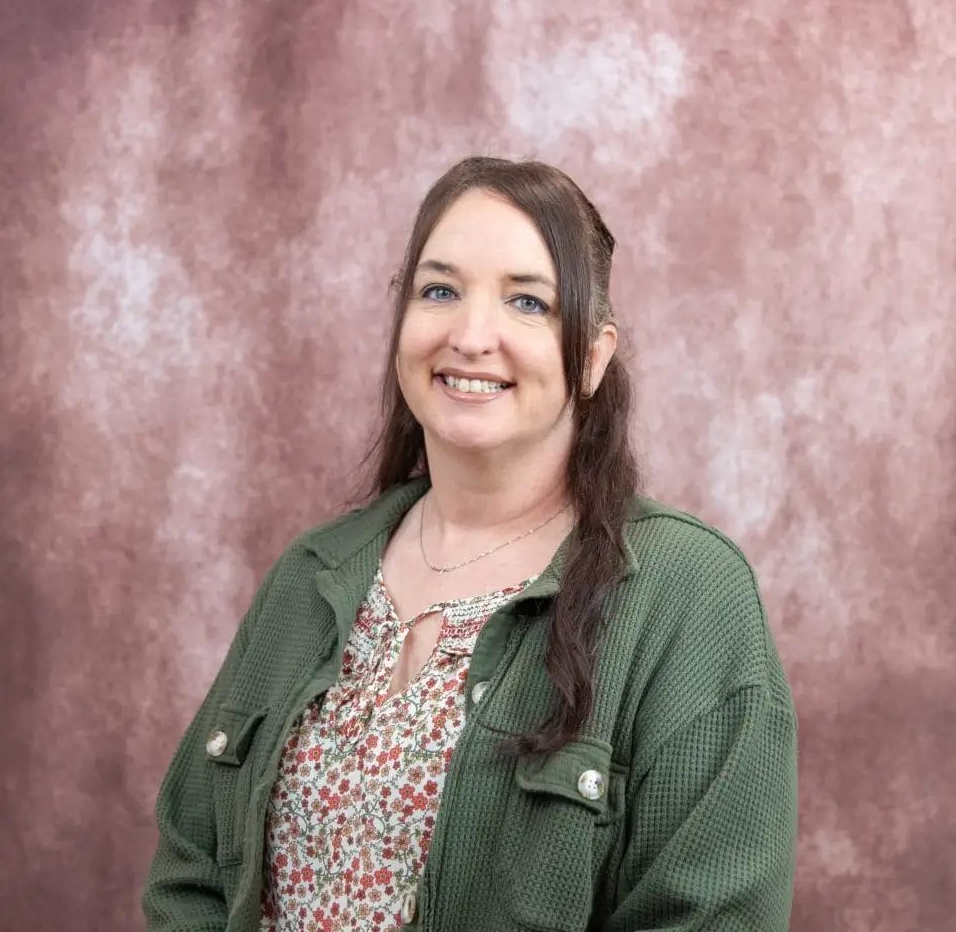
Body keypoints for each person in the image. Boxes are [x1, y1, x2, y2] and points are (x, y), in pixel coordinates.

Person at [142, 156, 798, 932]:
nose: (470, 335)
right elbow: (190, 871)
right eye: (440, 291)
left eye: (527, 301)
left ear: (592, 356)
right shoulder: (311, 573)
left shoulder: (689, 597)